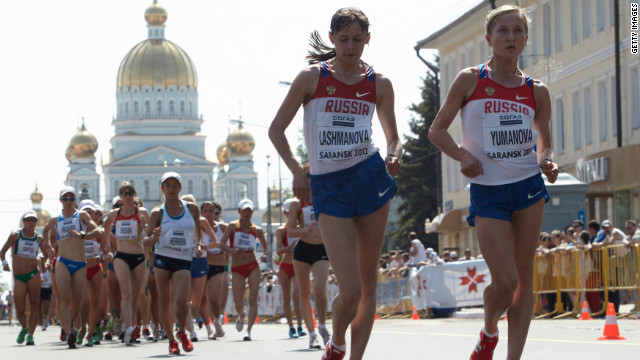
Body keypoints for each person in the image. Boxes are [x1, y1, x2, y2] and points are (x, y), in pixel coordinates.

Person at [269, 8, 402, 360]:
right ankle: (337, 341)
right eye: (343, 39)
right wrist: (298, 171)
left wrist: (394, 155)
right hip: (329, 186)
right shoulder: (312, 78)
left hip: (370, 178)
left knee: (368, 284)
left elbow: (394, 138)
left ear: (368, 40)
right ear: (332, 39)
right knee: (352, 288)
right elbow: (275, 130)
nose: (350, 46)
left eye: (358, 39)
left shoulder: (379, 83)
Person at [427, 5, 559, 359]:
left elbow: (544, 142)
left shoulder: (537, 90)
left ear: (526, 39)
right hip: (488, 190)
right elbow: (436, 131)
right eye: (503, 30)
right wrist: (462, 156)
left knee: (524, 277)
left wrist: (546, 161)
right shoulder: (471, 80)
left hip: (528, 187)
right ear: (489, 39)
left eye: (518, 31)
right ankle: (488, 332)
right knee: (505, 281)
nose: (511, 37)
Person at [145, 172, 202, 355]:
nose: (171, 189)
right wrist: (153, 238)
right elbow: (144, 241)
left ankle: (181, 332)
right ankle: (171, 340)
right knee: (164, 300)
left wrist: (198, 244)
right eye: (167, 185)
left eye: (175, 185)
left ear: (180, 188)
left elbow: (197, 232)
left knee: (181, 300)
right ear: (162, 188)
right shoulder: (157, 212)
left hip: (183, 258)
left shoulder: (192, 208)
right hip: (162, 258)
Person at [46, 186, 101, 349]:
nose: (68, 201)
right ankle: (70, 331)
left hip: (79, 264)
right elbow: (46, 233)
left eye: (71, 198)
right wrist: (49, 246)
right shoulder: (55, 219)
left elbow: (97, 232)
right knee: (63, 300)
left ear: (75, 200)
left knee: (77, 305)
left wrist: (82, 235)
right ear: (61, 201)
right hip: (62, 262)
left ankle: (72, 328)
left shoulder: (82, 215)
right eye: (65, 198)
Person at [104, 183, 149, 345]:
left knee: (136, 297)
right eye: (124, 193)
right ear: (120, 196)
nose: (127, 195)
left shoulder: (142, 212)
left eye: (130, 193)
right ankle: (129, 328)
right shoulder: (114, 214)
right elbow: (106, 226)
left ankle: (127, 324)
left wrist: (145, 227)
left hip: (138, 257)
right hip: (121, 256)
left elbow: (149, 234)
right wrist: (108, 243)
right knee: (126, 294)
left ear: (134, 194)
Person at [218, 199, 268, 341]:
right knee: (238, 301)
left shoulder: (256, 229)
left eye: (249, 210)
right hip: (237, 268)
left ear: (252, 212)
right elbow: (221, 244)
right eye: (244, 210)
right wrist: (232, 251)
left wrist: (264, 255)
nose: (247, 213)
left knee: (253, 299)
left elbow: (265, 248)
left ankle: (249, 331)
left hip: (253, 266)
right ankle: (241, 315)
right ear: (239, 211)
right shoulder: (233, 226)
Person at [1, 211, 48, 345]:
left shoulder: (39, 239)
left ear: (36, 222)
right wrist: (4, 264)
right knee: (20, 308)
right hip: (20, 276)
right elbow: (2, 252)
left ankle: (30, 335)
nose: (31, 222)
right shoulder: (15, 236)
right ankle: (24, 328)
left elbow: (46, 255)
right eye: (28, 220)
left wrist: (45, 264)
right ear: (24, 221)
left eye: (34, 220)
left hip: (33, 274)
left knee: (34, 305)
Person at [180, 195, 219, 342]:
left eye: (191, 205)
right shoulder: (179, 221)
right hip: (183, 261)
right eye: (185, 205)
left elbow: (215, 241)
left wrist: (203, 247)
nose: (188, 208)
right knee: (184, 299)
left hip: (199, 261)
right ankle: (191, 332)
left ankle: (185, 324)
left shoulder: (201, 221)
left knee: (195, 303)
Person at [275, 199, 304, 340]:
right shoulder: (281, 230)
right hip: (285, 266)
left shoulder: (304, 226)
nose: (291, 213)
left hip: (299, 265)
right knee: (287, 298)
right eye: (288, 211)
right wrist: (288, 247)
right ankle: (291, 328)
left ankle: (300, 326)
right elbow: (278, 251)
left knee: (297, 296)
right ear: (285, 213)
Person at [202, 201, 229, 339]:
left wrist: (228, 252)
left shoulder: (223, 227)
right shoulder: (198, 228)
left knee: (213, 298)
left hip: (218, 266)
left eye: (210, 211)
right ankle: (209, 326)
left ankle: (217, 322)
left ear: (215, 213)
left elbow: (227, 244)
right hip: (202, 265)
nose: (208, 214)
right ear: (201, 213)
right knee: (203, 300)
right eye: (205, 211)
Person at [39, 255, 53, 331]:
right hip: (40, 289)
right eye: (40, 260)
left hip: (47, 290)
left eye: (43, 260)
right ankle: (42, 324)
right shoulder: (38, 270)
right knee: (38, 307)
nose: (41, 262)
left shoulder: (49, 269)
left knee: (46, 308)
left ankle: (45, 319)